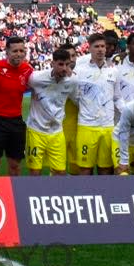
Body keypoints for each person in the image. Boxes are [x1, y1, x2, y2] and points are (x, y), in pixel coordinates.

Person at [25, 48, 78, 176]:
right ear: (52, 63)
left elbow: (78, 100)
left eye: (67, 64)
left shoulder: (72, 81)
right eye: (60, 64)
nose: (64, 68)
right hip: (36, 131)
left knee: (60, 172)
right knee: (35, 172)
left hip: (56, 132)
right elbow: (22, 88)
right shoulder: (36, 78)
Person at [73, 33, 118, 175]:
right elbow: (74, 96)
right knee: (85, 169)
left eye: (103, 46)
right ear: (89, 48)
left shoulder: (114, 70)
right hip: (87, 126)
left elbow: (117, 97)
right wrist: (87, 108)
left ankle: (105, 197)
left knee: (106, 169)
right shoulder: (79, 71)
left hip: (108, 126)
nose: (100, 49)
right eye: (96, 46)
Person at [0, 37, 33, 176]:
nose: (18, 54)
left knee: (15, 166)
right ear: (7, 51)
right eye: (15, 51)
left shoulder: (28, 69)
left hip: (16, 122)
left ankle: (13, 194)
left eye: (21, 50)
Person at [60, 43, 80, 173]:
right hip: (58, 128)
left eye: (73, 55)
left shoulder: (82, 76)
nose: (71, 59)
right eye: (67, 56)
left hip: (78, 127)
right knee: (57, 169)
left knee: (76, 168)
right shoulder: (52, 78)